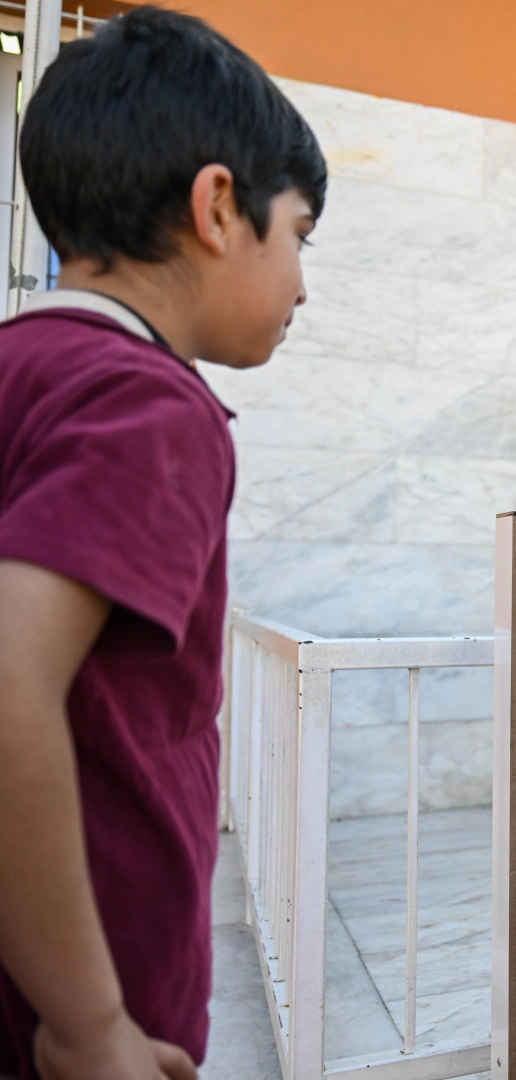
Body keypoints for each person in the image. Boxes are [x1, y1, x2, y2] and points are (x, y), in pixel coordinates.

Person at [0, 9, 324, 1080]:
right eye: (301, 236)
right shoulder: (150, 409)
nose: (304, 287)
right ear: (221, 207)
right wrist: (89, 1025)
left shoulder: (26, 367)